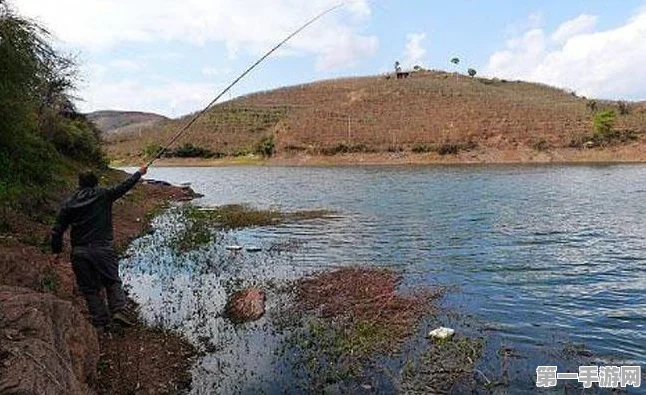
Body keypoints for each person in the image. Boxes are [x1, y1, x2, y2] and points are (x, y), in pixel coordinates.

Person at [51, 166, 148, 331]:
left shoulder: (69, 203)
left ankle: (100, 322)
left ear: (79, 184)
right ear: (96, 183)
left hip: (80, 252)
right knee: (112, 281)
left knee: (89, 289)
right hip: (103, 249)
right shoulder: (104, 195)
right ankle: (119, 311)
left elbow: (57, 229)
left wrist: (56, 251)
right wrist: (139, 173)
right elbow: (124, 186)